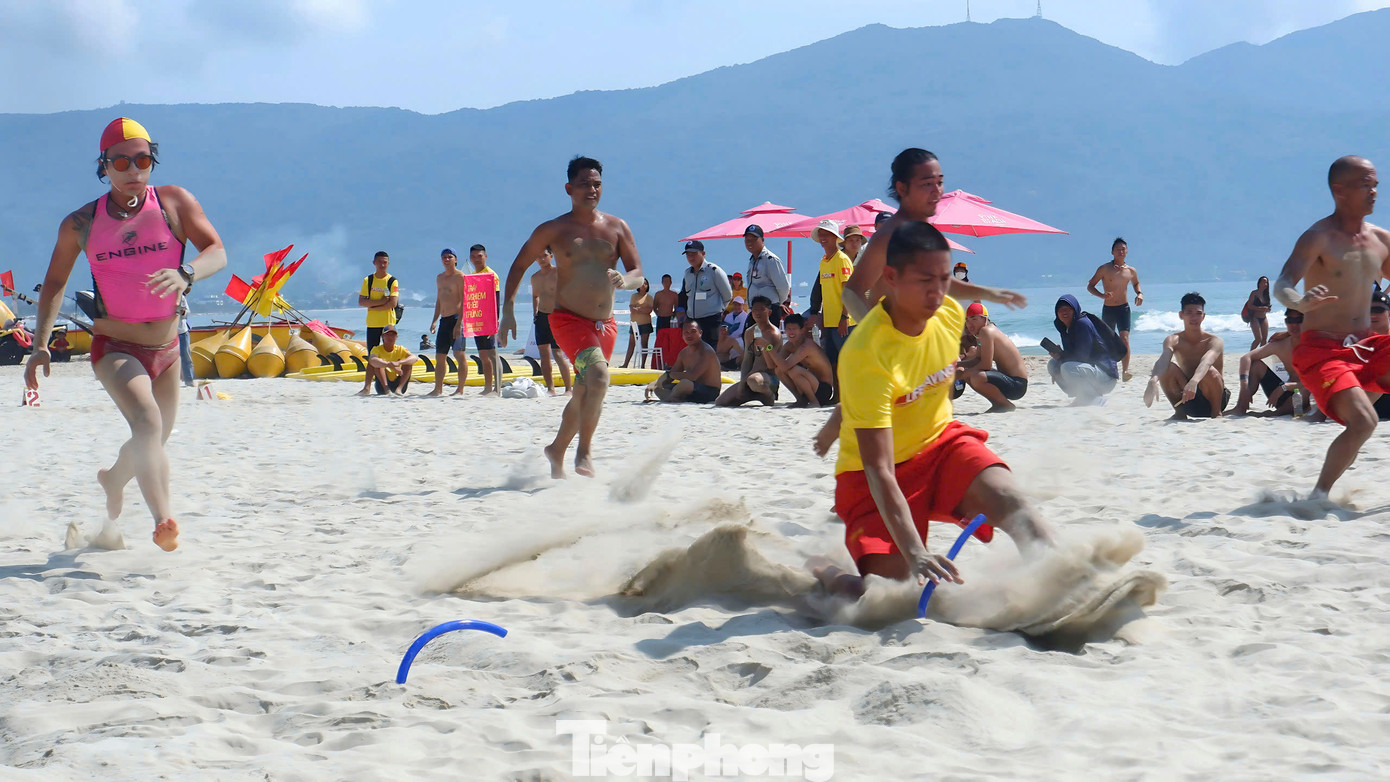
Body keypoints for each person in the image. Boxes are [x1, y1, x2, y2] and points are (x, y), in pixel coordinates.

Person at [815, 221, 1055, 599]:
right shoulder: (866, 351)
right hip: (872, 475)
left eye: (944, 279)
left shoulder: (949, 316)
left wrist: (834, 422)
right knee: (884, 594)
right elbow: (878, 467)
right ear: (891, 278)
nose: (938, 291)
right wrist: (915, 552)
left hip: (939, 445)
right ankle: (822, 570)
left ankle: (1060, 584)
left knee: (1013, 502)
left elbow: (901, 383)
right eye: (926, 279)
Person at [24, 117, 227, 552]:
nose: (133, 169)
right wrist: (40, 346)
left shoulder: (173, 202)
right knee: (148, 422)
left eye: (142, 159)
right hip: (115, 346)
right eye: (121, 161)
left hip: (168, 348)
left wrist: (186, 272)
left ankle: (114, 479)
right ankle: (163, 520)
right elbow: (56, 281)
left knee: (152, 437)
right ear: (104, 166)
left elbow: (217, 251)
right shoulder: (81, 222)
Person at [817, 148, 1027, 458]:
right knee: (887, 420)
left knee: (926, 422)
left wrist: (991, 293)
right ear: (902, 189)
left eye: (940, 182)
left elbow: (942, 282)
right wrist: (879, 334)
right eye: (927, 183)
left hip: (922, 339)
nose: (937, 191)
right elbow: (852, 291)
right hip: (891, 341)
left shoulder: (924, 232)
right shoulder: (888, 236)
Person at [498, 156, 644, 478]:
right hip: (567, 321)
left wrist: (627, 281)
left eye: (597, 184)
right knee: (600, 379)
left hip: (604, 325)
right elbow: (519, 265)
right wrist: (507, 311)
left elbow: (636, 271)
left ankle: (556, 450)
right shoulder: (554, 229)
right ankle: (585, 453)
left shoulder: (618, 227)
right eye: (584, 184)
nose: (592, 189)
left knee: (583, 393)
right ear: (569, 188)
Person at [1272, 155, 1390, 497]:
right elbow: (1283, 283)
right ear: (1339, 191)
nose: (1373, 192)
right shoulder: (1319, 237)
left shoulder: (1381, 239)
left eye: (1376, 185)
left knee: (1363, 422)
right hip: (1323, 351)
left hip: (1368, 346)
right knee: (1364, 423)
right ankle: (1318, 497)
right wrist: (1300, 301)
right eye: (1365, 185)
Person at [1143, 292, 1227, 419]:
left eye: (1198, 313)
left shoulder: (1214, 341)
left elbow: (1206, 361)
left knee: (1209, 371)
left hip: (1214, 398)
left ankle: (1217, 414)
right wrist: (1153, 380)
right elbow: (1163, 360)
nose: (1194, 318)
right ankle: (1180, 413)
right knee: (1168, 367)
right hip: (1187, 397)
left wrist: (1194, 381)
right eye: (1189, 313)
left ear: (1203, 316)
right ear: (1181, 315)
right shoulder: (1174, 339)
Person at [1085, 238, 1143, 381]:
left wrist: (1139, 293)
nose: (1121, 251)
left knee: (1124, 339)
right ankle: (1108, 368)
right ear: (1112, 252)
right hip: (1109, 309)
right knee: (1106, 341)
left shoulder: (1131, 271)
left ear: (1127, 251)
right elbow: (1090, 286)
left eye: (1123, 249)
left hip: (1124, 309)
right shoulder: (1104, 269)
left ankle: (1125, 371)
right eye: (1118, 249)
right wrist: (1102, 295)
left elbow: (1136, 283)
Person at [1232, 308, 1307, 417]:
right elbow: (1246, 357)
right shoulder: (1281, 344)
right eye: (1290, 321)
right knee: (1256, 365)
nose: (1294, 325)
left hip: (1302, 395)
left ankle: (1275, 414)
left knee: (1304, 390)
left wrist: (1284, 387)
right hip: (1284, 395)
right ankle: (1240, 407)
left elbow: (1313, 383)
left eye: (1299, 320)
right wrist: (1244, 387)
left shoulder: (1313, 346)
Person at [956, 302, 1029, 412]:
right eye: (967, 320)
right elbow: (977, 360)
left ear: (984, 319)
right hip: (1007, 381)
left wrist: (961, 374)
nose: (969, 324)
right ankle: (997, 403)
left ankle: (1005, 405)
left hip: (1017, 385)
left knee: (976, 376)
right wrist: (956, 365)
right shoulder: (981, 334)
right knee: (968, 373)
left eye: (974, 319)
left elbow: (986, 365)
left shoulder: (986, 331)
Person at [1047, 294, 1118, 406]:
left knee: (1066, 367)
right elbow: (1073, 355)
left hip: (1106, 377)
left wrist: (1062, 356)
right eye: (1060, 309)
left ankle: (1094, 398)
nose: (1064, 312)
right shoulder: (1065, 327)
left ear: (1075, 309)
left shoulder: (1082, 324)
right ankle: (1083, 396)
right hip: (1091, 372)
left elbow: (1082, 356)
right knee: (1053, 364)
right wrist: (1060, 356)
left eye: (1068, 309)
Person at [715, 296, 782, 407]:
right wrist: (742, 382)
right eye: (754, 310)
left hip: (768, 378)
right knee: (720, 401)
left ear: (769, 312)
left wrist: (744, 382)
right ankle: (754, 394)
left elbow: (763, 365)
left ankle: (769, 395)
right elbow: (747, 359)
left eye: (761, 309)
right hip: (751, 377)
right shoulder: (749, 332)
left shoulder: (773, 334)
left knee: (754, 381)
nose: (757, 312)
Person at [810, 220, 856, 382]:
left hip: (845, 322)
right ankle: (836, 397)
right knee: (832, 362)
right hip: (829, 321)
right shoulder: (824, 261)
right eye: (821, 234)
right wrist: (820, 317)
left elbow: (849, 292)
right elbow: (824, 293)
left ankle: (848, 397)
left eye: (827, 234)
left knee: (846, 362)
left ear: (835, 237)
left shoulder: (842, 259)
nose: (823, 238)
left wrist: (844, 317)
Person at [764, 313, 834, 408]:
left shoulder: (807, 346)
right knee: (778, 370)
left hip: (823, 390)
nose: (791, 332)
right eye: (788, 329)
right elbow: (772, 366)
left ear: (802, 330)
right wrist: (765, 348)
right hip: (810, 385)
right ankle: (800, 399)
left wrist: (769, 347)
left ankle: (814, 402)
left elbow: (785, 365)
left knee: (794, 370)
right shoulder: (789, 345)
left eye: (794, 329)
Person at [531, 247, 574, 396]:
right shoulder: (535, 277)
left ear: (551, 256)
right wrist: (535, 312)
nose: (542, 260)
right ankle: (550, 388)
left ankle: (568, 388)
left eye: (544, 256)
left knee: (558, 353)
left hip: (557, 315)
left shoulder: (559, 273)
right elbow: (535, 295)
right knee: (543, 354)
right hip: (542, 317)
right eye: (538, 257)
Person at [647, 319, 722, 403]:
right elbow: (673, 373)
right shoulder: (684, 353)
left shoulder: (706, 351)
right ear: (682, 335)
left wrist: (670, 375)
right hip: (692, 390)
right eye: (686, 333)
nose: (689, 335)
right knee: (659, 387)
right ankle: (677, 397)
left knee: (685, 383)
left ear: (700, 333)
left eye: (693, 331)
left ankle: (672, 397)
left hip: (709, 392)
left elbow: (693, 376)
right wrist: (655, 383)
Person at [427, 248, 468, 397]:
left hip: (457, 319)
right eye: (444, 257)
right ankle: (438, 389)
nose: (446, 259)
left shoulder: (460, 277)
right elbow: (439, 300)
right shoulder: (439, 278)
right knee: (440, 356)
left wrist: (459, 324)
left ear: (455, 259)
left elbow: (465, 301)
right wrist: (434, 320)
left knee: (459, 355)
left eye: (449, 257)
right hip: (444, 320)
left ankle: (460, 389)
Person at [678, 240, 732, 349]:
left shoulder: (714, 271)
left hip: (711, 320)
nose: (691, 257)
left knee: (711, 351)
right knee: (694, 352)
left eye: (694, 254)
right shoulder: (687, 273)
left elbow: (727, 295)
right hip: (693, 321)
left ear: (703, 253)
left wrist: (719, 310)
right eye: (688, 255)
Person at [467, 244, 503, 395]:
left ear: (485, 256)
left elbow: (495, 299)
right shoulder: (474, 274)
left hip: (489, 319)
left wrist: (495, 321)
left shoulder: (490, 275)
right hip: (477, 319)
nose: (477, 259)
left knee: (492, 354)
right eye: (474, 257)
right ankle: (488, 387)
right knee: (483, 355)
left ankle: (498, 388)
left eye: (479, 256)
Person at [743, 224, 790, 326]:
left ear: (762, 240)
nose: (750, 243)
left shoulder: (770, 259)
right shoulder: (752, 260)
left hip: (769, 310)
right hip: (755, 310)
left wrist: (775, 303)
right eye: (747, 240)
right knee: (749, 338)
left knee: (768, 341)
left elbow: (783, 287)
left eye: (754, 239)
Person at [358, 324, 414, 396]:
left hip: (398, 383)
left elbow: (414, 358)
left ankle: (399, 389)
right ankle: (377, 389)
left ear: (396, 337)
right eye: (387, 335)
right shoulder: (377, 349)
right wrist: (389, 365)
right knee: (377, 362)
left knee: (408, 362)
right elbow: (372, 359)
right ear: (383, 337)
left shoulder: (400, 349)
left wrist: (399, 362)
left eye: (392, 335)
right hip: (382, 386)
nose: (390, 337)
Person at [359, 251, 399, 352]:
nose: (382, 265)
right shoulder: (368, 280)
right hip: (373, 323)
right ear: (374, 263)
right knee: (372, 354)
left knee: (389, 352)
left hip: (388, 322)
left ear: (388, 263)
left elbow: (393, 303)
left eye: (385, 262)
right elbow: (362, 302)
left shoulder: (392, 281)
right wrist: (382, 301)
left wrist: (373, 306)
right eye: (379, 262)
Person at [621, 278, 655, 369]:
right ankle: (625, 364)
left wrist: (638, 308)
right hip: (635, 324)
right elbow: (632, 309)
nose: (643, 285)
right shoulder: (634, 296)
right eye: (642, 283)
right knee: (631, 344)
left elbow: (649, 310)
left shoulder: (649, 297)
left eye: (645, 284)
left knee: (644, 345)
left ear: (648, 286)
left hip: (646, 323)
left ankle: (643, 365)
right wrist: (642, 309)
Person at [715, 296, 749, 369]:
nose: (737, 307)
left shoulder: (745, 316)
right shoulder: (728, 316)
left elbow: (740, 331)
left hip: (739, 339)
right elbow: (725, 328)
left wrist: (730, 337)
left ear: (742, 305)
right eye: (735, 304)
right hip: (728, 339)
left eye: (739, 305)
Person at [1244, 276, 1273, 350]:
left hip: (1263, 318)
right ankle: (1250, 355)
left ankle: (1259, 356)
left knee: (1264, 340)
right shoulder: (1254, 293)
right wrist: (1261, 309)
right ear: (1259, 283)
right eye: (1263, 282)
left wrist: (1267, 309)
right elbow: (1250, 306)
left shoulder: (1266, 294)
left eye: (1266, 282)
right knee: (1258, 339)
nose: (1265, 283)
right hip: (1254, 318)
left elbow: (1267, 307)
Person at [176, 293, 193, 387]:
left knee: (186, 357)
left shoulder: (181, 297)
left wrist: (182, 312)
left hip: (182, 331)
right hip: (169, 332)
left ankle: (189, 380)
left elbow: (186, 312)